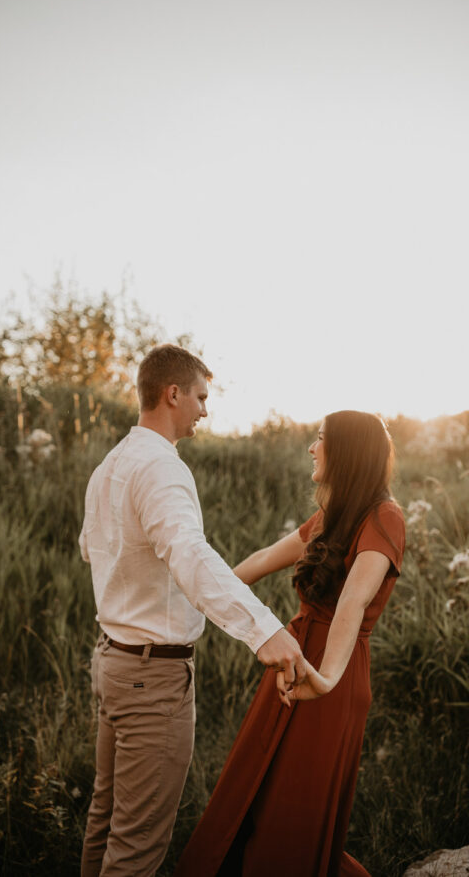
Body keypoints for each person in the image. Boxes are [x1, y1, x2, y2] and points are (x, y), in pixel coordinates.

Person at [79, 344, 306, 877]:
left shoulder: (111, 464)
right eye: (201, 397)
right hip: (151, 678)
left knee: (105, 819)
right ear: (173, 393)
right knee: (134, 848)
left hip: (112, 661)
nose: (206, 410)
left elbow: (94, 547)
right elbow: (188, 553)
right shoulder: (161, 469)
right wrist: (263, 630)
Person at [174, 410, 406, 877]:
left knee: (294, 812)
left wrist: (325, 680)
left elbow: (352, 604)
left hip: (331, 677)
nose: (311, 447)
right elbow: (261, 560)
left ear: (346, 451)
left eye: (319, 439)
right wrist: (194, 601)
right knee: (256, 792)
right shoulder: (331, 516)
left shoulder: (385, 517)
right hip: (293, 663)